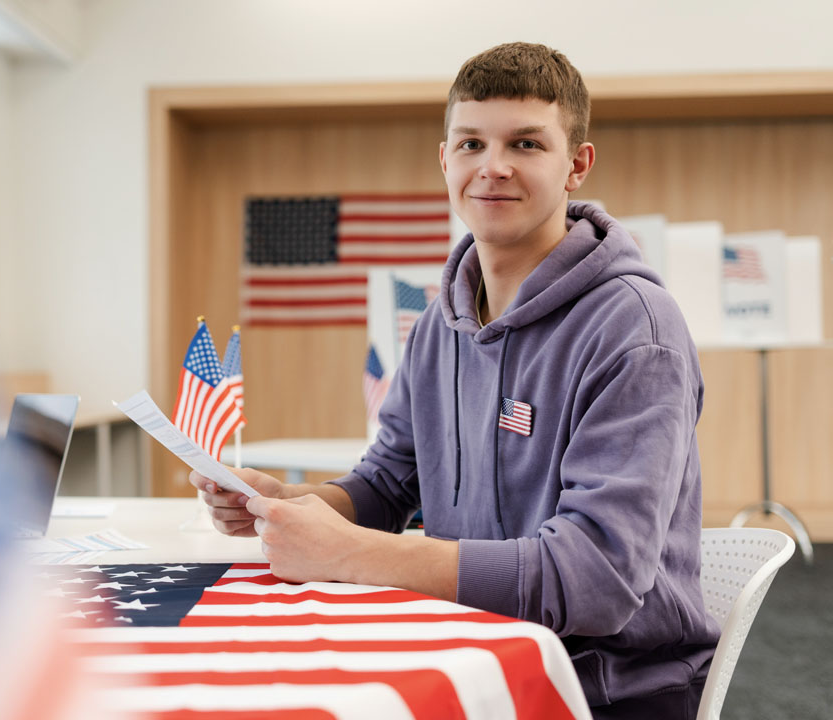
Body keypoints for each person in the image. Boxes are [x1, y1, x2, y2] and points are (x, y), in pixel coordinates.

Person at [190, 42, 719, 719]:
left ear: (577, 166)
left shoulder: (635, 329)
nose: (492, 166)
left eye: (526, 143)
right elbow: (389, 481)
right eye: (471, 143)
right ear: (446, 160)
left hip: (601, 688)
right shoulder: (440, 323)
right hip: (467, 649)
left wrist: (352, 554)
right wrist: (295, 504)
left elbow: (597, 578)